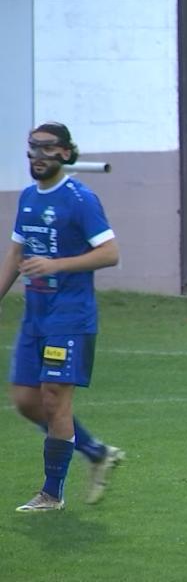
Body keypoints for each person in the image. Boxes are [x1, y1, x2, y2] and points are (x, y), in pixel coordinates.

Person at [1, 122, 124, 511]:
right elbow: (16, 256)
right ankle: (96, 451)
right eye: (32, 148)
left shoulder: (80, 199)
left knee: (54, 399)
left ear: (66, 153)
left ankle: (51, 494)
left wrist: (57, 265)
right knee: (25, 400)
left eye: (47, 148)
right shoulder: (28, 199)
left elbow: (110, 254)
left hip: (69, 317)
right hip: (35, 316)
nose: (38, 156)